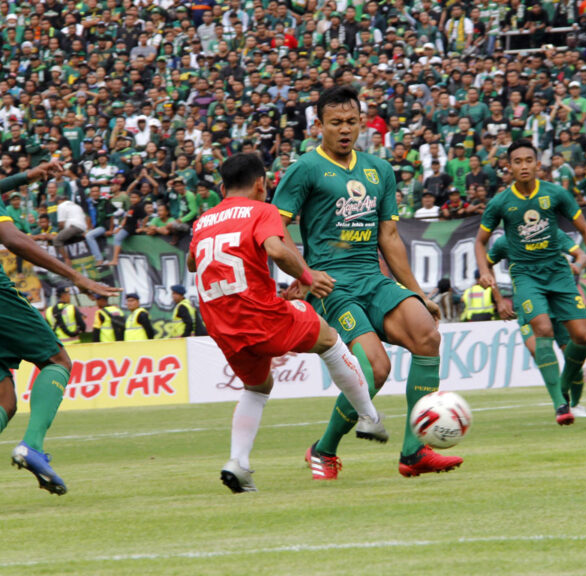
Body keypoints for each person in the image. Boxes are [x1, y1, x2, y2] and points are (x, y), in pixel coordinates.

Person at [0, 80, 117, 515]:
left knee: (2, 398)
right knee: (57, 361)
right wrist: (79, 279)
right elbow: (12, 238)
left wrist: (24, 177)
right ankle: (33, 447)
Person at [272, 86, 463, 479]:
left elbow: (389, 239)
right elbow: (276, 229)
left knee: (427, 335)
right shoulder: (306, 168)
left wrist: (416, 292)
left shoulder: (380, 170)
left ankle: (414, 454)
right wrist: (305, 274)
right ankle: (323, 450)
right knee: (376, 368)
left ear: (362, 123)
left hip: (373, 279)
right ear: (319, 126)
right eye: (335, 122)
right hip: (332, 286)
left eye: (351, 121)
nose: (345, 129)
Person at [188, 153, 386, 493]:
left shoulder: (203, 219)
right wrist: (309, 276)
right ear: (261, 185)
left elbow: (193, 263)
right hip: (257, 311)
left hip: (220, 322)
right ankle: (369, 416)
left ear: (222, 188)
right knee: (330, 340)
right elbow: (278, 252)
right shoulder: (262, 210)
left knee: (258, 387)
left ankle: (238, 462)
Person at [475, 139, 586, 426]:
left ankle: (564, 388)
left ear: (538, 164)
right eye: (517, 161)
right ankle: (560, 404)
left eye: (528, 160)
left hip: (559, 274)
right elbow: (480, 242)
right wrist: (486, 274)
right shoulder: (500, 202)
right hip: (526, 276)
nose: (523, 166)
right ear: (508, 166)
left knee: (583, 337)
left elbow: (584, 230)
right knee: (542, 329)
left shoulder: (556, 194)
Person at [487, 231, 586, 418]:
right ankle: (559, 402)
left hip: (557, 300)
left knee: (572, 354)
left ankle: (573, 402)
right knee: (537, 349)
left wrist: (576, 266)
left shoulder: (550, 232)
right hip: (530, 302)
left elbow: (582, 256)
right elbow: (485, 267)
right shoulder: (504, 242)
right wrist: (498, 300)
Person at [54, 195, 88, 264]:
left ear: (58, 201)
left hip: (74, 226)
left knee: (56, 240)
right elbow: (87, 217)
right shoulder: (76, 205)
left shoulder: (61, 206)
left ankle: (67, 260)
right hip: (83, 228)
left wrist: (60, 231)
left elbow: (61, 223)